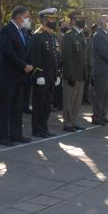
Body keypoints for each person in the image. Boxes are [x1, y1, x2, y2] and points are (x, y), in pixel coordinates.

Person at [0, 6, 33, 146]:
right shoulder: (7, 30)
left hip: (20, 76)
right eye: (27, 16)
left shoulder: (22, 31)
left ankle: (16, 134)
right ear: (19, 17)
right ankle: (3, 136)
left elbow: (26, 51)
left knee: (17, 107)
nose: (28, 19)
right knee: (5, 107)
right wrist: (23, 65)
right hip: (7, 76)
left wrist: (29, 64)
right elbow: (8, 52)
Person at [30, 8, 61, 137]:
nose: (53, 21)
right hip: (42, 76)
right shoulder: (38, 35)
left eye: (54, 18)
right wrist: (38, 74)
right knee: (39, 104)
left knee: (48, 104)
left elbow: (56, 57)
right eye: (51, 18)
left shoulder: (52, 35)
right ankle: (37, 129)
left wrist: (58, 73)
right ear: (43, 19)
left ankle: (44, 127)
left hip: (51, 76)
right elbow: (35, 57)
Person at [61, 11, 89, 132]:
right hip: (72, 74)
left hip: (81, 74)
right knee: (69, 100)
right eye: (79, 18)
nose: (82, 20)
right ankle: (67, 123)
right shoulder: (69, 35)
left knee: (77, 101)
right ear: (73, 20)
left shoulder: (81, 35)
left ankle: (74, 121)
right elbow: (67, 57)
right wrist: (70, 75)